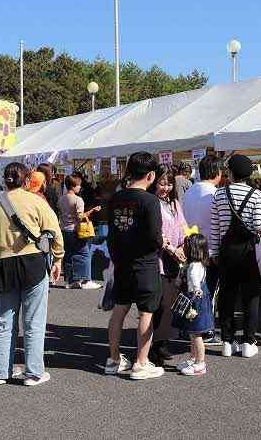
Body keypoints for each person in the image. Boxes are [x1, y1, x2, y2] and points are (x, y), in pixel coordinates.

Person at [0, 162, 64, 386]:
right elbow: (54, 230)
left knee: (5, 320)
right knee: (34, 321)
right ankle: (33, 373)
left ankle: (0, 372)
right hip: (32, 263)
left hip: (4, 266)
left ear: (4, 180)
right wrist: (58, 258)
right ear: (26, 179)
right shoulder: (36, 201)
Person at [105, 152, 165, 380]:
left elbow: (111, 234)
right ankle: (141, 363)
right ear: (151, 175)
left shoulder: (115, 198)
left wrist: (117, 256)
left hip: (122, 263)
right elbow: (154, 236)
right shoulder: (150, 201)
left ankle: (114, 359)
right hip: (145, 263)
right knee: (146, 313)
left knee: (119, 310)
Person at [210, 154, 261, 359]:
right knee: (250, 296)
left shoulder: (219, 194)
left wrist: (214, 252)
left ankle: (227, 341)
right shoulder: (256, 194)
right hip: (248, 252)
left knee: (227, 296)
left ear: (231, 173)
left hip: (226, 251)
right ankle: (248, 342)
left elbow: (215, 227)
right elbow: (260, 226)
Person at [181, 155, 223, 345]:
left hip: (189, 248)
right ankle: (205, 331)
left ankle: (187, 327)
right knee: (207, 293)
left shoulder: (189, 192)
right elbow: (219, 225)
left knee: (190, 290)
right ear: (217, 172)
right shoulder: (215, 194)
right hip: (209, 250)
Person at [149, 165, 188, 366]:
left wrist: (183, 246)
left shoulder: (174, 203)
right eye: (162, 183)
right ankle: (153, 346)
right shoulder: (152, 203)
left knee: (170, 305)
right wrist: (172, 249)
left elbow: (183, 227)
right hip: (158, 260)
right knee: (159, 305)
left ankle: (162, 343)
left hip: (174, 261)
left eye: (169, 184)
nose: (165, 187)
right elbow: (156, 234)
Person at [173, 233, 213, 376]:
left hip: (195, 302)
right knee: (192, 333)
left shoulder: (195, 266)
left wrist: (196, 289)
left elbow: (195, 281)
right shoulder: (191, 264)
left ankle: (200, 363)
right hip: (193, 301)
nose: (184, 247)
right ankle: (193, 358)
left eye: (186, 245)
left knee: (196, 334)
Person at [58, 174, 102, 290]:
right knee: (84, 253)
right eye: (79, 185)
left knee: (68, 255)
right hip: (75, 230)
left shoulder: (61, 198)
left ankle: (70, 280)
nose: (80, 188)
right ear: (73, 186)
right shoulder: (78, 200)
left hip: (64, 229)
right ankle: (85, 280)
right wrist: (92, 210)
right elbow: (80, 216)